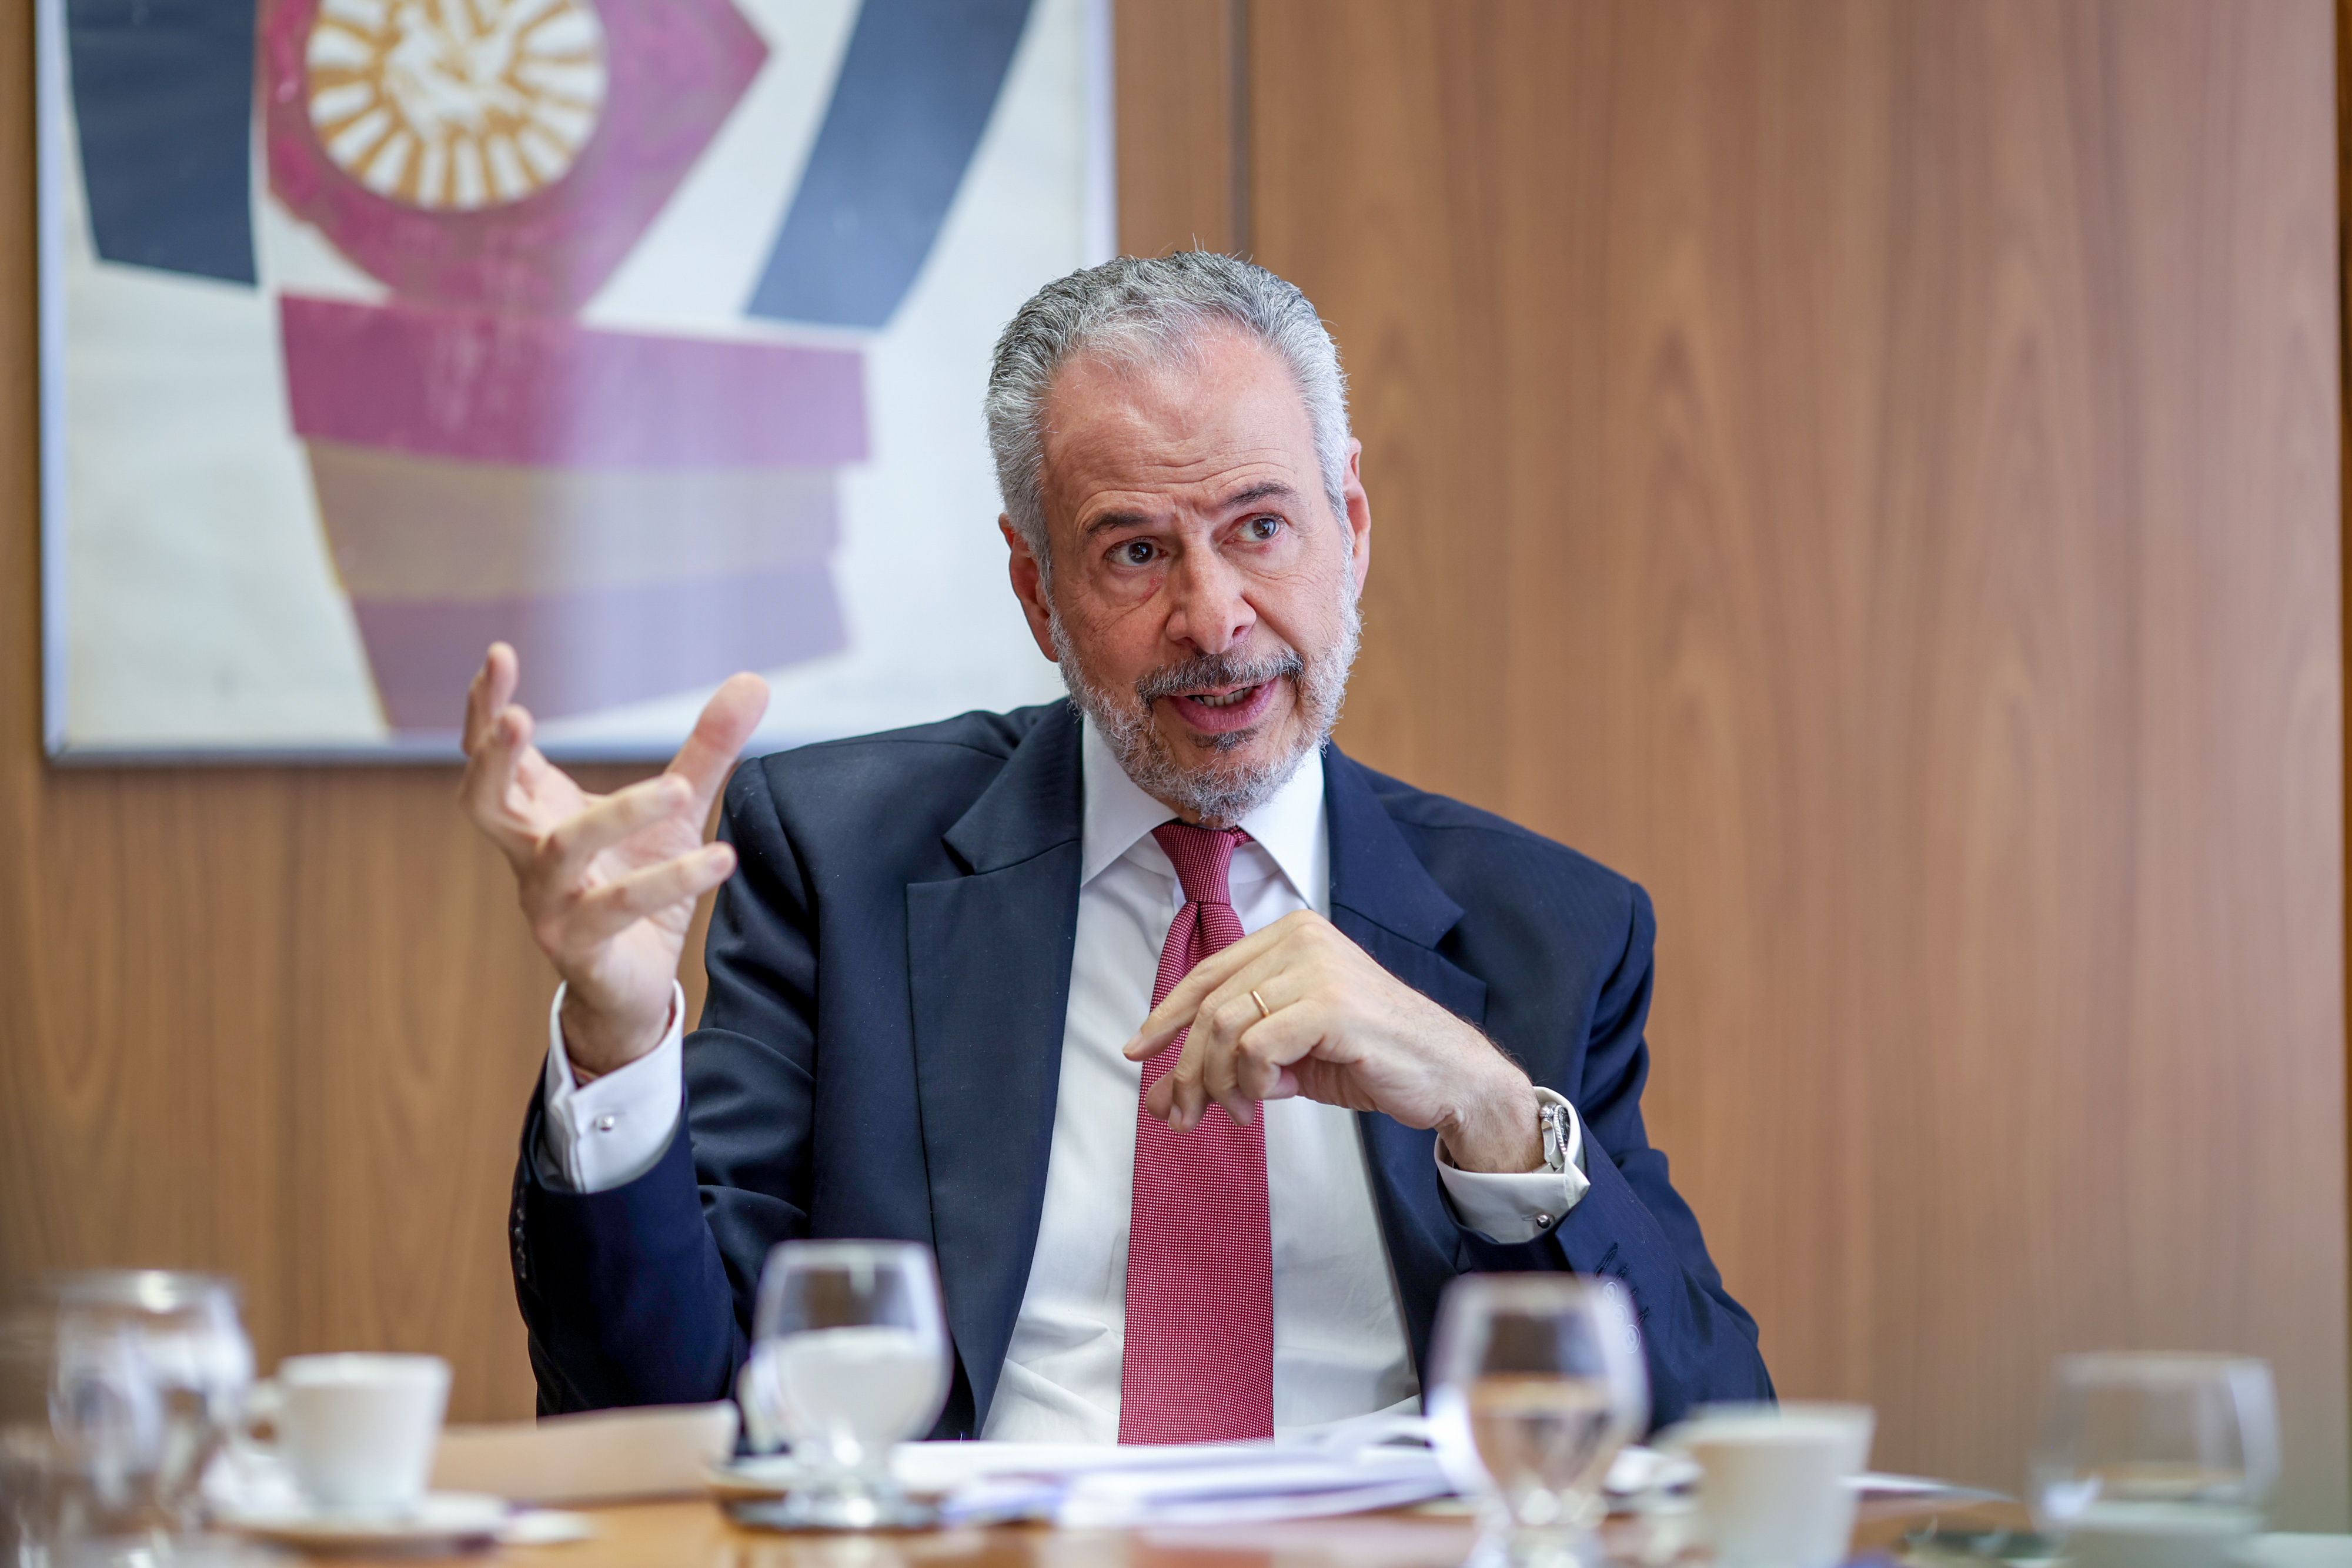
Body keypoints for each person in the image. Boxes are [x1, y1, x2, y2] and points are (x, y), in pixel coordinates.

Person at [462, 253, 1771, 1442]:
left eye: (1261, 527)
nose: (1214, 618)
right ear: (1036, 591)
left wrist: (1492, 1114)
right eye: (1135, 551)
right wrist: (620, 1039)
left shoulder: (1547, 929)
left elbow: (1709, 1435)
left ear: (1350, 529)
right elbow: (654, 1406)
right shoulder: (842, 864)